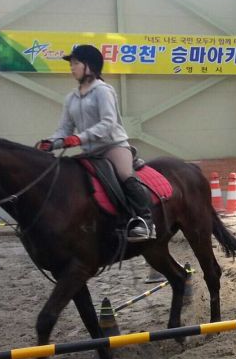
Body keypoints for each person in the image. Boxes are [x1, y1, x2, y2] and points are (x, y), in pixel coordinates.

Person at [35, 44, 155, 242]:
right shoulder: (71, 98)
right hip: (90, 152)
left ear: (89, 66)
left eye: (75, 63)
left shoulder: (103, 91)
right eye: (71, 64)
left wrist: (79, 138)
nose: (71, 68)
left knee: (125, 175)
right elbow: (64, 129)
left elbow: (108, 123)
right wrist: (51, 143)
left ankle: (145, 220)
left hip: (113, 146)